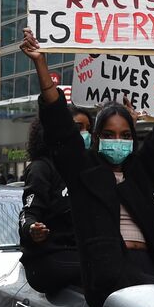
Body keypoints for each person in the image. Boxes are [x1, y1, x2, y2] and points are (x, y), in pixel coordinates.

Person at [20, 28, 154, 307]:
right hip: (109, 277)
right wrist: (40, 64)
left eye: (125, 135)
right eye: (109, 134)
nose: (117, 141)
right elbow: (60, 126)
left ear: (134, 140)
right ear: (96, 140)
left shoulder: (141, 172)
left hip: (149, 268)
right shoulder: (83, 174)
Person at [19, 106, 93, 293]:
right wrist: (33, 229)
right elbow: (28, 214)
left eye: (88, 128)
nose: (84, 133)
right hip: (51, 258)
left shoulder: (88, 169)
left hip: (82, 254)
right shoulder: (42, 169)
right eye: (78, 127)